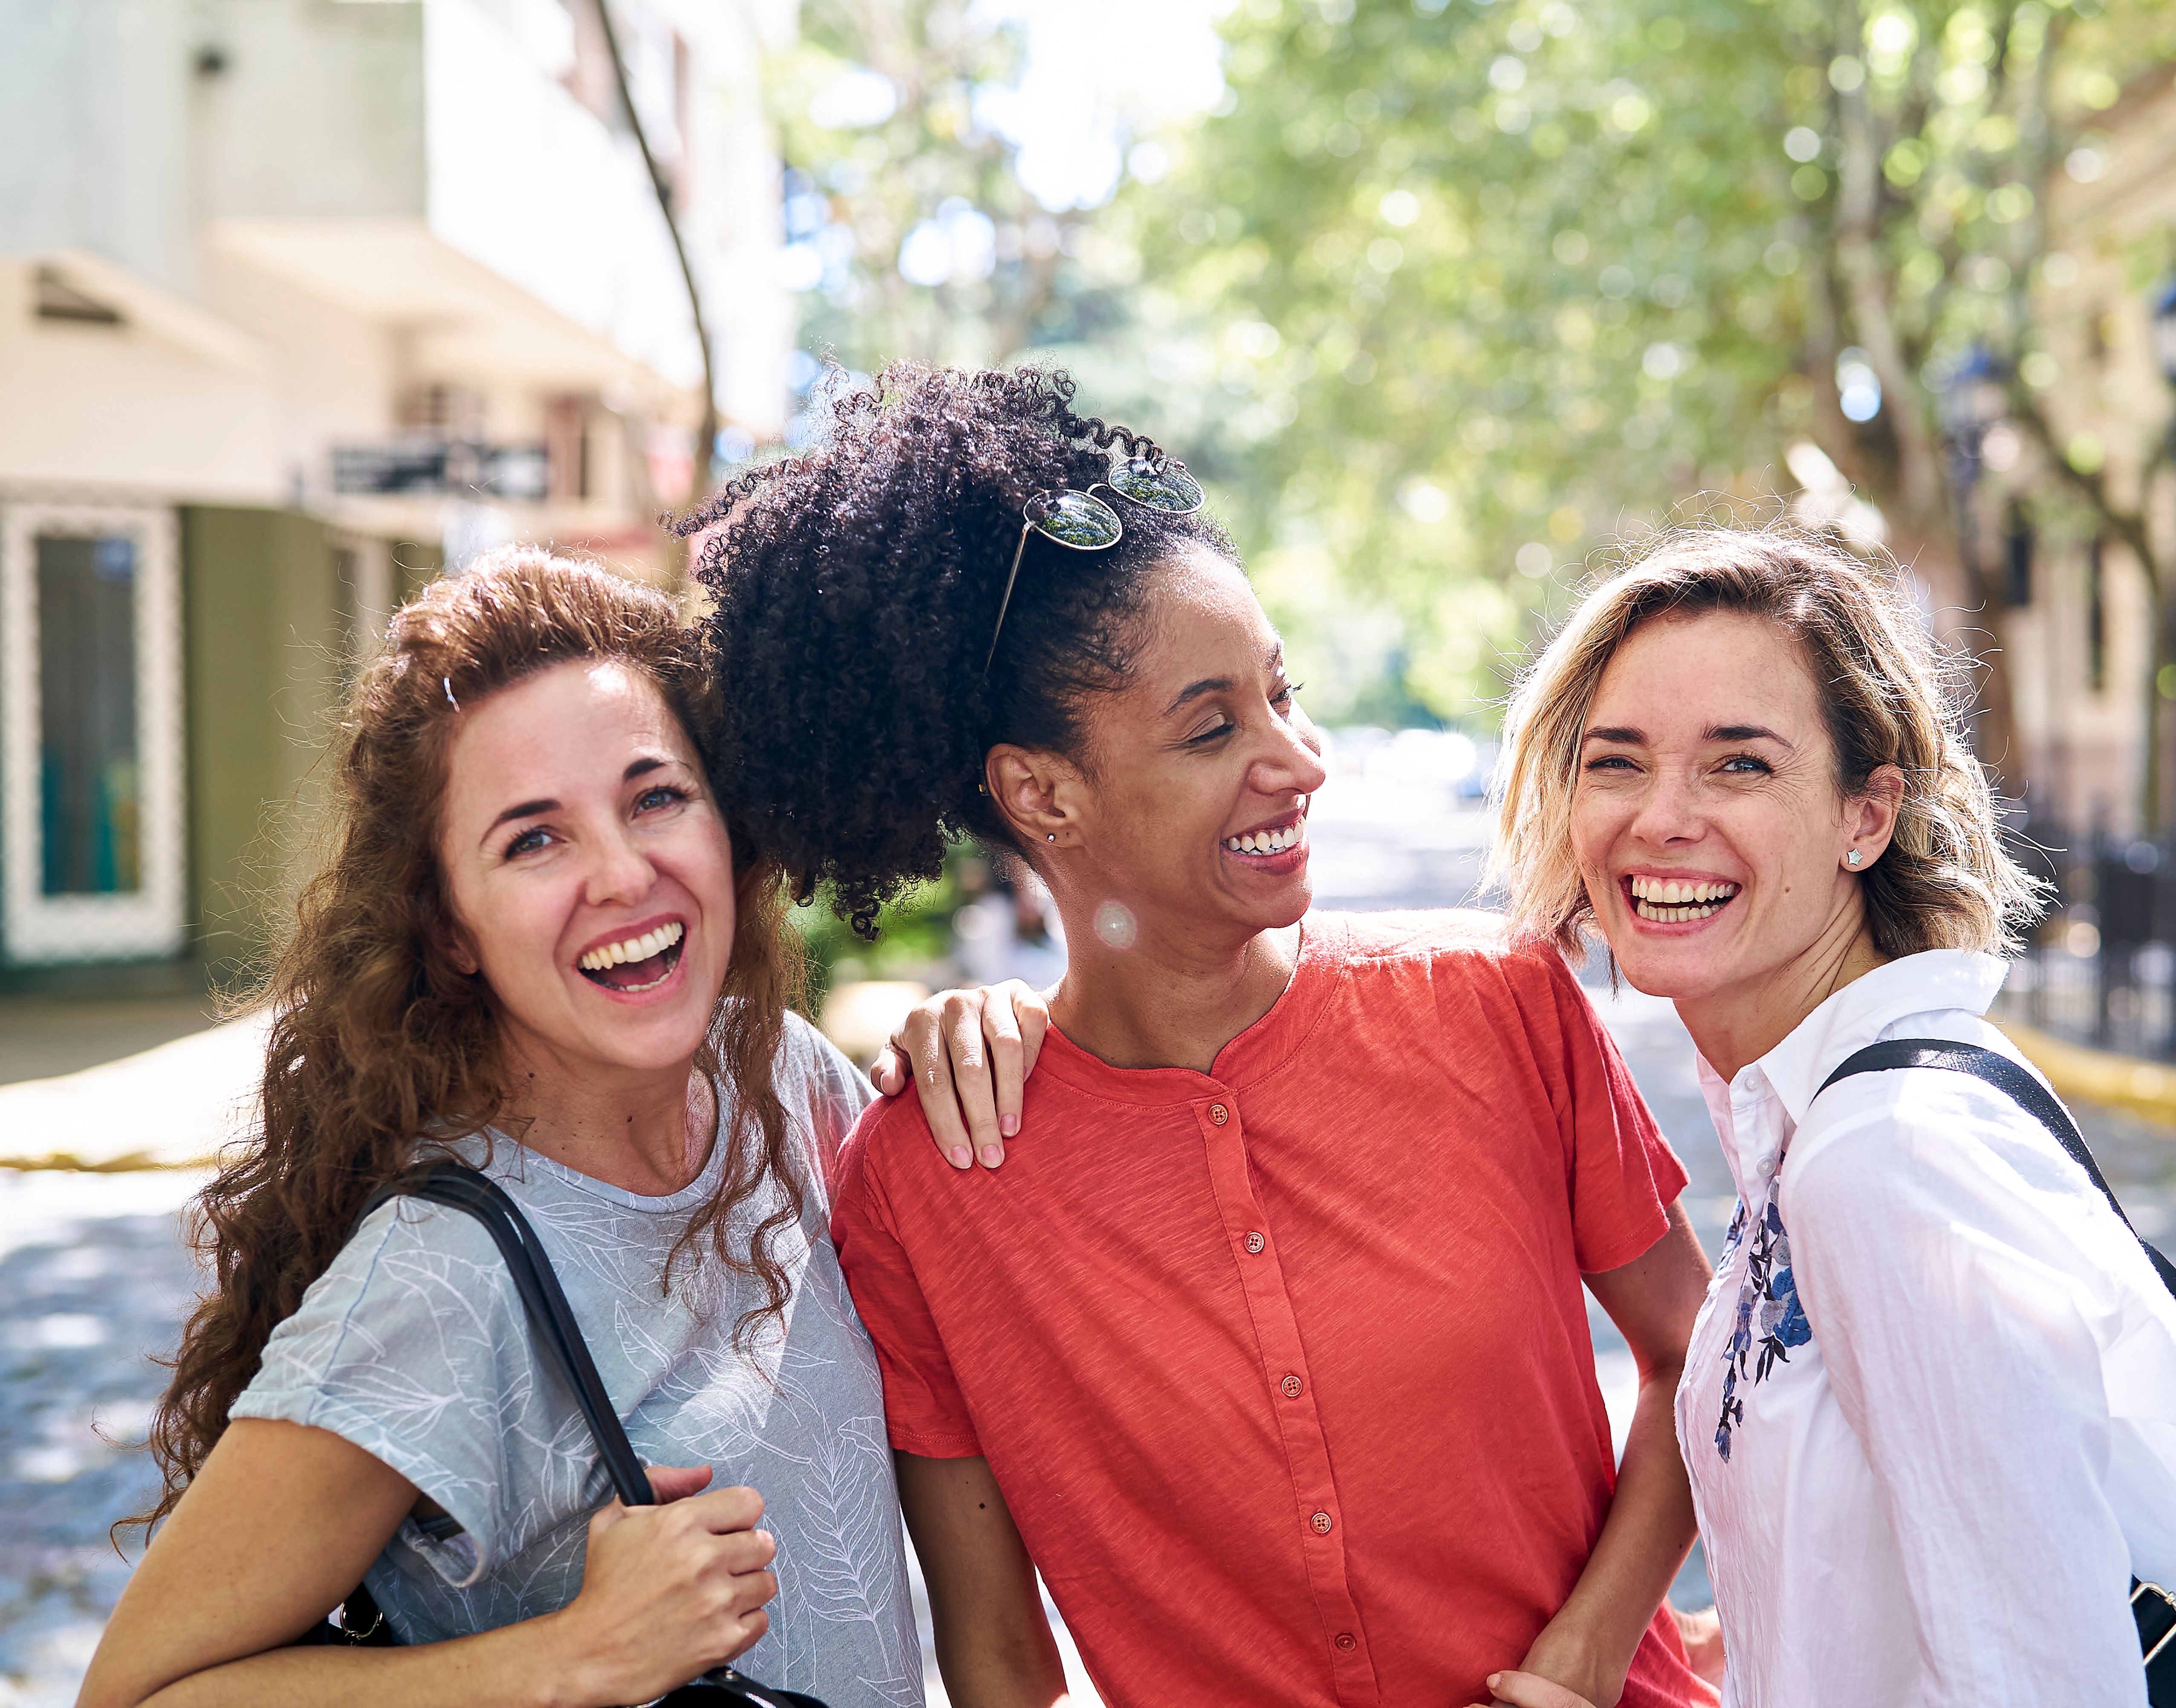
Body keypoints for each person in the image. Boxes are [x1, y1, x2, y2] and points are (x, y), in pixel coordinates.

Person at [688, 364, 1715, 1708]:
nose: (1296, 760)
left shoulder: (1499, 1004)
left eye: (1282, 695)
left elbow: (1703, 1357)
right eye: (1213, 726)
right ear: (1042, 793)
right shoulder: (928, 1183)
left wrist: (1581, 1662)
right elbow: (999, 1665)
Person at [79, 551, 930, 1708]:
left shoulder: (786, 1081)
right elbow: (133, 1696)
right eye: (535, 840)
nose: (624, 874)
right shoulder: (436, 1278)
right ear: (452, 931)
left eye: (655, 798)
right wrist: (577, 1655)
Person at [1489, 527, 2176, 1708]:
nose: (1662, 817)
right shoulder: (1814, 1121)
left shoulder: (1886, 1163)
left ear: (1866, 817)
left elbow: (2045, 1689)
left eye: (1740, 766)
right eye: (1617, 762)